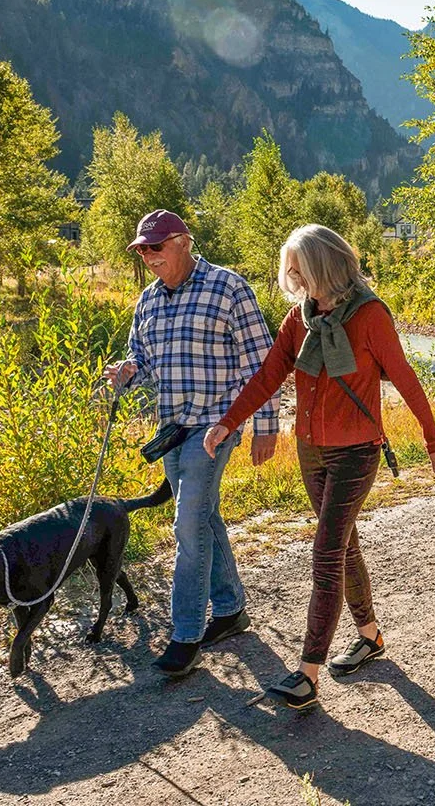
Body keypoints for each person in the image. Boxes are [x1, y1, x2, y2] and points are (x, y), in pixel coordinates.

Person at [203, 223, 435, 710]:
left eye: (299, 269)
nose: (292, 279)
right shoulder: (301, 319)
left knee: (325, 553)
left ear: (323, 267)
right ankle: (371, 636)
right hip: (311, 450)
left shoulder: (371, 316)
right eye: (289, 270)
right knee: (344, 545)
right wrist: (228, 423)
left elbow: (404, 376)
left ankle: (307, 674)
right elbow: (270, 374)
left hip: (357, 451)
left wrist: (432, 438)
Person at [102, 209, 281, 678]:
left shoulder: (228, 287)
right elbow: (139, 354)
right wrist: (127, 371)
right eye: (142, 250)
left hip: (216, 426)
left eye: (156, 247)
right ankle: (230, 610)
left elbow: (262, 364)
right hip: (172, 428)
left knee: (187, 524)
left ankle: (185, 636)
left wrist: (266, 424)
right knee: (204, 517)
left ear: (183, 242)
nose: (148, 257)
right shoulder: (148, 300)